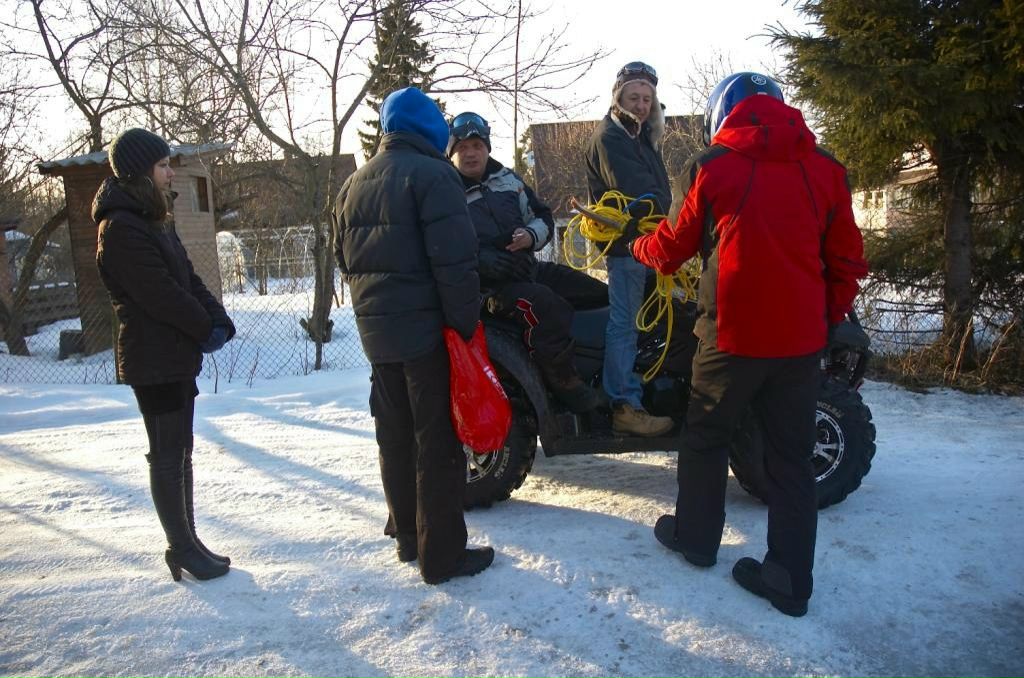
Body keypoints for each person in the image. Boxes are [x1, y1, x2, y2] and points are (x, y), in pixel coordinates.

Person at [627, 73, 868, 616]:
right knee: (790, 458)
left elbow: (671, 249)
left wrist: (637, 245)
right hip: (799, 346)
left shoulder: (712, 166)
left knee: (707, 437)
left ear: (721, 116)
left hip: (729, 338)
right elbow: (848, 262)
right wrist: (823, 319)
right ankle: (788, 579)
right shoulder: (827, 170)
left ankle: (696, 539)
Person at [332, 88, 494, 585]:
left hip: (377, 335)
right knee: (436, 444)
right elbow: (455, 261)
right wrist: (465, 326)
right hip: (426, 333)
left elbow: (343, 259)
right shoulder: (434, 175)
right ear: (430, 128)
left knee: (394, 435)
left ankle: (407, 536)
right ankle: (442, 557)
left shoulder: (353, 184)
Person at [94, 128, 235, 582]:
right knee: (167, 454)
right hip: (152, 359)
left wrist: (219, 319)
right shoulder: (120, 228)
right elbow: (161, 296)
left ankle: (190, 542)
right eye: (162, 165)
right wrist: (202, 327)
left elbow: (188, 278)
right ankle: (180, 546)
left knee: (182, 452)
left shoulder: (154, 218)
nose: (170, 171)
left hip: (173, 354)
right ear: (140, 172)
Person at [447, 111, 608, 414]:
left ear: (487, 148)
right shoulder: (446, 192)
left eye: (477, 146)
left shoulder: (508, 180)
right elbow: (444, 245)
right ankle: (562, 382)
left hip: (529, 269)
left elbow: (544, 216)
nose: (471, 154)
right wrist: (482, 260)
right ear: (452, 152)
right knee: (547, 305)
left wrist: (530, 235)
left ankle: (598, 370)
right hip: (489, 290)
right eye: (463, 147)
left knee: (598, 293)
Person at [585, 61, 674, 437]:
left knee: (652, 322)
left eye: (646, 98)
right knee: (625, 324)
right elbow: (642, 195)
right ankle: (622, 403)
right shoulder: (611, 138)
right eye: (633, 97)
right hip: (628, 249)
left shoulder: (640, 136)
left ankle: (645, 392)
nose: (640, 104)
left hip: (651, 246)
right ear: (618, 97)